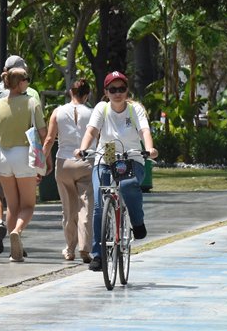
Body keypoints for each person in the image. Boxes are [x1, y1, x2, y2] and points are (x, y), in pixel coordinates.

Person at [75, 71, 157, 272]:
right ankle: (98, 255)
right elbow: (92, 131)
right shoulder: (101, 109)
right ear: (106, 92)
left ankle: (137, 222)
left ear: (127, 91)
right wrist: (83, 148)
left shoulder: (134, 109)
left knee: (129, 185)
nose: (117, 93)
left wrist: (150, 148)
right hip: (107, 158)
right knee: (98, 204)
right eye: (113, 89)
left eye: (121, 89)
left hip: (132, 157)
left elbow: (144, 131)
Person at [0, 54, 43, 254]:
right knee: (27, 204)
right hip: (25, 154)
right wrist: (44, 159)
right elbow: (40, 131)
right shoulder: (32, 97)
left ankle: (0, 224)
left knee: (2, 198)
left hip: (0, 154)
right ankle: (17, 234)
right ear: (22, 77)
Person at [42, 78, 95, 263]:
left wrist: (42, 160)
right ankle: (85, 248)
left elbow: (49, 139)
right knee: (85, 207)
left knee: (68, 208)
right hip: (86, 162)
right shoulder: (92, 113)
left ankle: (70, 248)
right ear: (87, 95)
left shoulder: (57, 112)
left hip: (64, 162)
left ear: (71, 92)